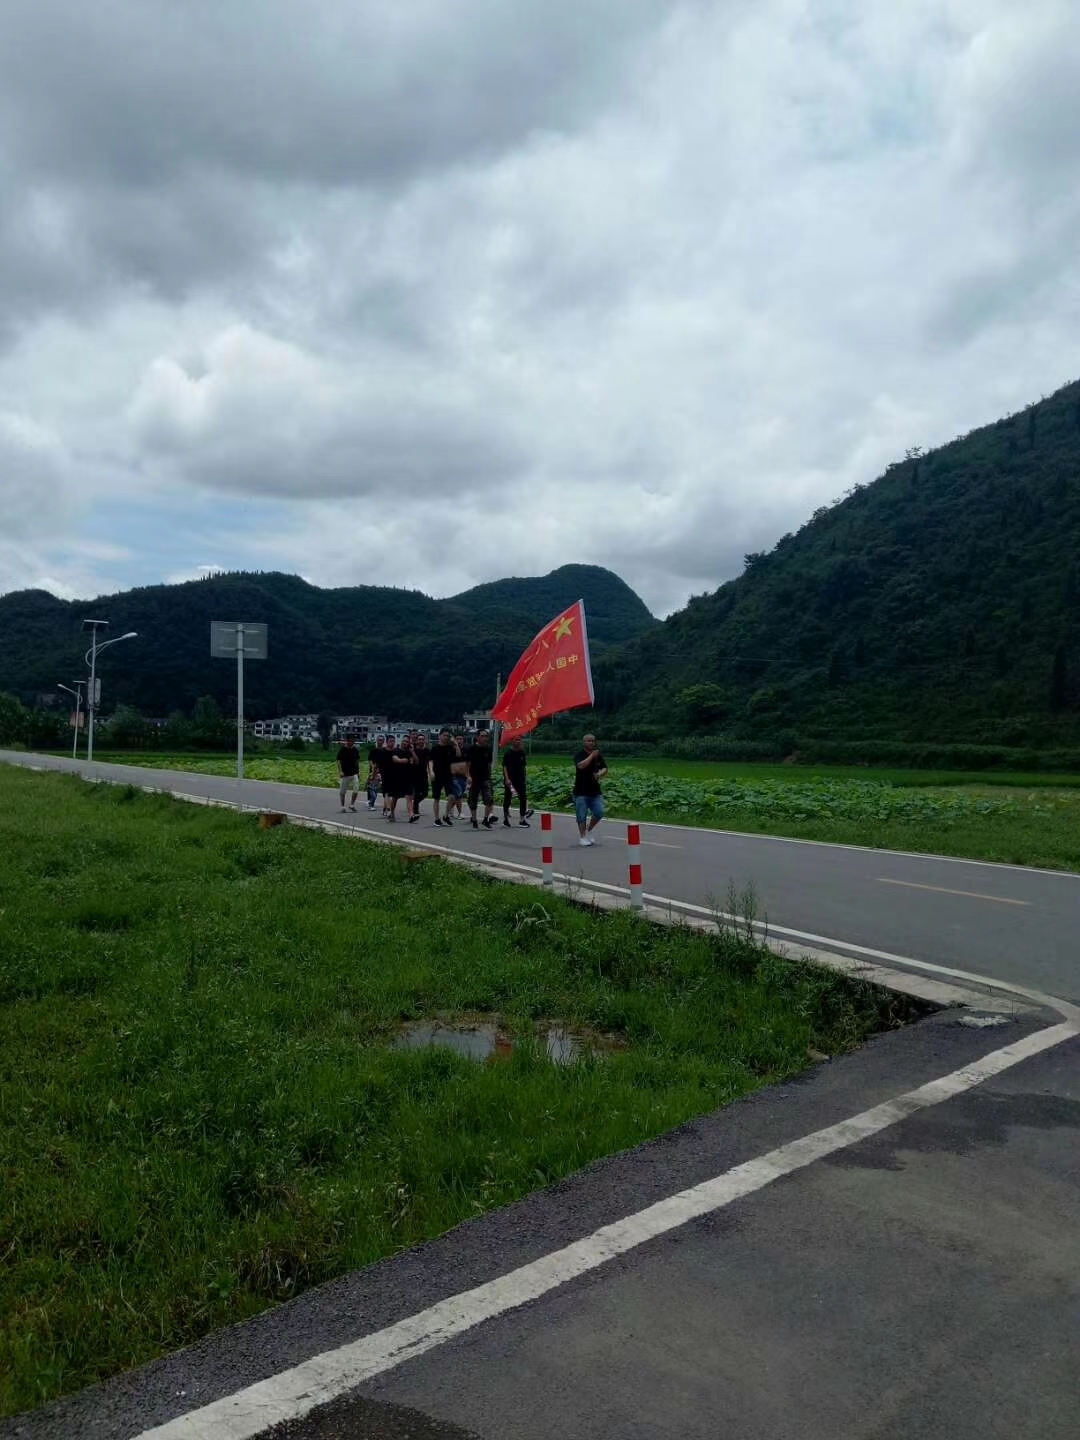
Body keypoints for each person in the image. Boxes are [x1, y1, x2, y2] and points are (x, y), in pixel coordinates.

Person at [573, 733, 607, 846]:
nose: (591, 743)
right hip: (581, 791)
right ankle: (582, 837)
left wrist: (599, 774)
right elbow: (581, 766)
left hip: (595, 790)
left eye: (593, 741)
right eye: (589, 741)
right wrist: (592, 755)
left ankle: (590, 829)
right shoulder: (579, 754)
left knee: (600, 811)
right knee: (581, 815)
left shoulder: (598, 755)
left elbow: (605, 768)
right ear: (584, 742)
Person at [467, 729, 496, 829]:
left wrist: (490, 775)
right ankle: (474, 820)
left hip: (485, 778)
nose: (485, 738)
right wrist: (468, 776)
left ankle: (485, 819)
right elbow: (467, 764)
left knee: (489, 799)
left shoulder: (488, 749)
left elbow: (489, 764)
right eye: (482, 736)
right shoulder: (472, 749)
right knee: (473, 800)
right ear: (478, 737)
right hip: (474, 778)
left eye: (486, 736)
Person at [429, 729, 458, 826]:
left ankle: (446, 815)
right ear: (440, 736)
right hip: (437, 775)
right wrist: (431, 772)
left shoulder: (450, 748)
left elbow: (458, 755)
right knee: (436, 798)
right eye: (444, 735)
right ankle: (437, 819)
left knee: (452, 796)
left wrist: (455, 744)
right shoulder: (435, 748)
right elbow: (430, 761)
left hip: (448, 775)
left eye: (448, 736)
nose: (446, 737)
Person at [501, 736, 531, 827]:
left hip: (520, 779)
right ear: (512, 741)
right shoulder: (508, 753)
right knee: (508, 798)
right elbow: (504, 767)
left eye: (519, 740)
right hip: (510, 780)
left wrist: (525, 778)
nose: (517, 742)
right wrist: (506, 779)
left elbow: (524, 766)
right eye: (516, 740)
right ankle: (506, 818)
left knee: (523, 798)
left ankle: (522, 819)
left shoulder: (522, 753)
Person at [336, 734, 362, 811]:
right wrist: (340, 771)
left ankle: (352, 804)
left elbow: (357, 761)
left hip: (354, 772)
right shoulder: (342, 750)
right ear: (347, 741)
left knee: (356, 789)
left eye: (353, 741)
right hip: (345, 773)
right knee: (343, 791)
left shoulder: (355, 750)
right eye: (351, 740)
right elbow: (338, 761)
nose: (352, 742)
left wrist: (358, 771)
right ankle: (342, 806)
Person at [408, 733, 430, 823]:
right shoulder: (413, 751)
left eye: (422, 739)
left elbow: (429, 762)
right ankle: (415, 811)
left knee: (425, 793)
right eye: (419, 739)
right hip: (415, 774)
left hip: (424, 774)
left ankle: (415, 804)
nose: (421, 741)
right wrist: (413, 752)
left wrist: (430, 772)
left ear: (424, 740)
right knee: (417, 793)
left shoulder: (427, 750)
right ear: (416, 741)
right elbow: (415, 762)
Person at [449, 733, 468, 819]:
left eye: (461, 739)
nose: (459, 741)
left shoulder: (466, 750)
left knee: (456, 795)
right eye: (457, 739)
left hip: (463, 775)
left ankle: (448, 809)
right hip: (454, 775)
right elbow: (458, 755)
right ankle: (460, 813)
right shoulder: (451, 750)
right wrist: (456, 746)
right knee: (458, 793)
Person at [365, 735, 385, 810]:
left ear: (383, 741)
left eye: (381, 740)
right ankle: (370, 799)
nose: (380, 741)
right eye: (379, 740)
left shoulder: (384, 751)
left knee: (377, 785)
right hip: (373, 769)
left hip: (381, 770)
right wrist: (373, 767)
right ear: (377, 741)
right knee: (371, 785)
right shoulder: (373, 751)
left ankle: (373, 799)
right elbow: (370, 760)